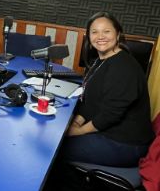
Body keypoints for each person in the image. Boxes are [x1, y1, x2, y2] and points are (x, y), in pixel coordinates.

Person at [61, 11, 154, 166]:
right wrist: (77, 122)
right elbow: (91, 102)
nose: (100, 36)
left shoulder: (124, 67)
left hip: (126, 144)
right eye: (95, 32)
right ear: (89, 38)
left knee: (55, 150)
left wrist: (78, 131)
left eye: (106, 31)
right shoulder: (101, 61)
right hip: (108, 133)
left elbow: (111, 114)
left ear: (118, 35)